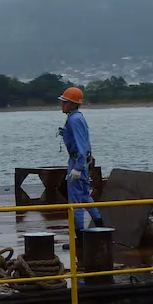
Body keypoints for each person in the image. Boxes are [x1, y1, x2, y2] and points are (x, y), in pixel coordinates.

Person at [59, 86, 104, 231]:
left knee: (75, 202)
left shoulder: (74, 120)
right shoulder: (77, 118)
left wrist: (77, 168)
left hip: (77, 162)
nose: (62, 105)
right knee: (85, 196)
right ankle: (101, 226)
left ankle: (79, 236)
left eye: (65, 102)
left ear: (73, 104)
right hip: (82, 162)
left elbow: (81, 145)